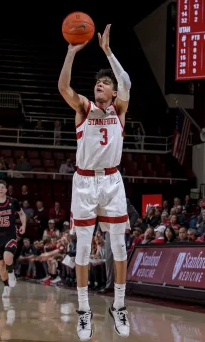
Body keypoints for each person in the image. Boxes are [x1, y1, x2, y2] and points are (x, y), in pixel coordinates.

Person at [58, 24, 131, 340]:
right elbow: (63, 87)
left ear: (113, 92)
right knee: (83, 250)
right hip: (85, 183)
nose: (100, 85)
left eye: (105, 83)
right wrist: (70, 54)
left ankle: (119, 305)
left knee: (118, 246)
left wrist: (108, 52)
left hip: (112, 181)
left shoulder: (120, 108)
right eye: (97, 83)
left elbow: (126, 81)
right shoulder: (83, 108)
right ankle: (84, 311)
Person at [0, 180, 26, 299]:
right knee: (1, 263)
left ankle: (12, 272)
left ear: (6, 190)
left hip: (11, 234)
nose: (1, 189)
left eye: (3, 187)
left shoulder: (13, 202)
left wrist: (23, 225)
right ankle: (6, 287)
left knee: (8, 256)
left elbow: (22, 214)